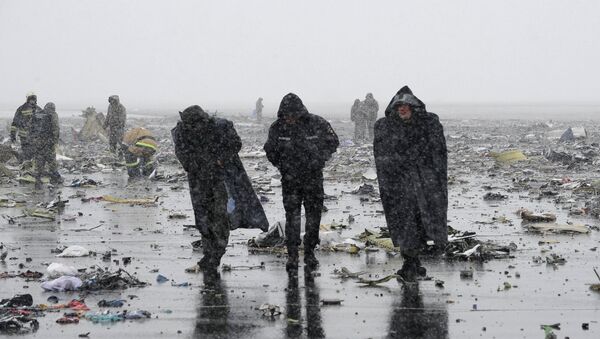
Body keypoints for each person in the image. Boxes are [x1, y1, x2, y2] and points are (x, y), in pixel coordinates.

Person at [373, 86, 447, 282]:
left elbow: (437, 152)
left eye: (406, 106)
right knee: (405, 222)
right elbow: (382, 156)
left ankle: (413, 261)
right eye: (399, 106)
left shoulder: (428, 123)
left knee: (421, 221)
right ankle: (410, 261)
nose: (403, 109)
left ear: (413, 107)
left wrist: (431, 176)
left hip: (423, 183)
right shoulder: (386, 126)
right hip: (399, 184)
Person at [264, 93, 339, 271]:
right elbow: (270, 150)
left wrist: (320, 159)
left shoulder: (317, 123)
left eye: (293, 114)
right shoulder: (277, 128)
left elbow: (333, 142)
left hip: (313, 178)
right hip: (290, 180)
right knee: (292, 217)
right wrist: (282, 166)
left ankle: (310, 252)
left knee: (314, 216)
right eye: (286, 115)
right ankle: (292, 254)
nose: (290, 118)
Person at [172, 105, 242, 271]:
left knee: (219, 215)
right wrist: (191, 165)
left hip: (219, 178)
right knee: (203, 217)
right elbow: (181, 151)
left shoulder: (218, 128)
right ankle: (210, 254)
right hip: (198, 179)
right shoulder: (183, 131)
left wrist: (220, 160)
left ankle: (215, 254)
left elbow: (235, 144)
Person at [29, 102, 62, 189]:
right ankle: (54, 179)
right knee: (51, 161)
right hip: (48, 141)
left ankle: (38, 179)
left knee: (39, 160)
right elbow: (56, 128)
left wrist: (33, 140)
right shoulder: (52, 114)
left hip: (38, 142)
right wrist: (55, 141)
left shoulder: (37, 115)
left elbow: (30, 128)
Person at [10, 92, 42, 162]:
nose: (32, 101)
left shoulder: (38, 109)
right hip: (25, 137)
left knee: (34, 156)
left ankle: (29, 168)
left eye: (33, 99)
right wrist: (13, 135)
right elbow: (15, 123)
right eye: (31, 99)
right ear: (28, 99)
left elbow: (43, 124)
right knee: (28, 155)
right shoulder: (21, 109)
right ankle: (26, 167)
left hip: (35, 137)